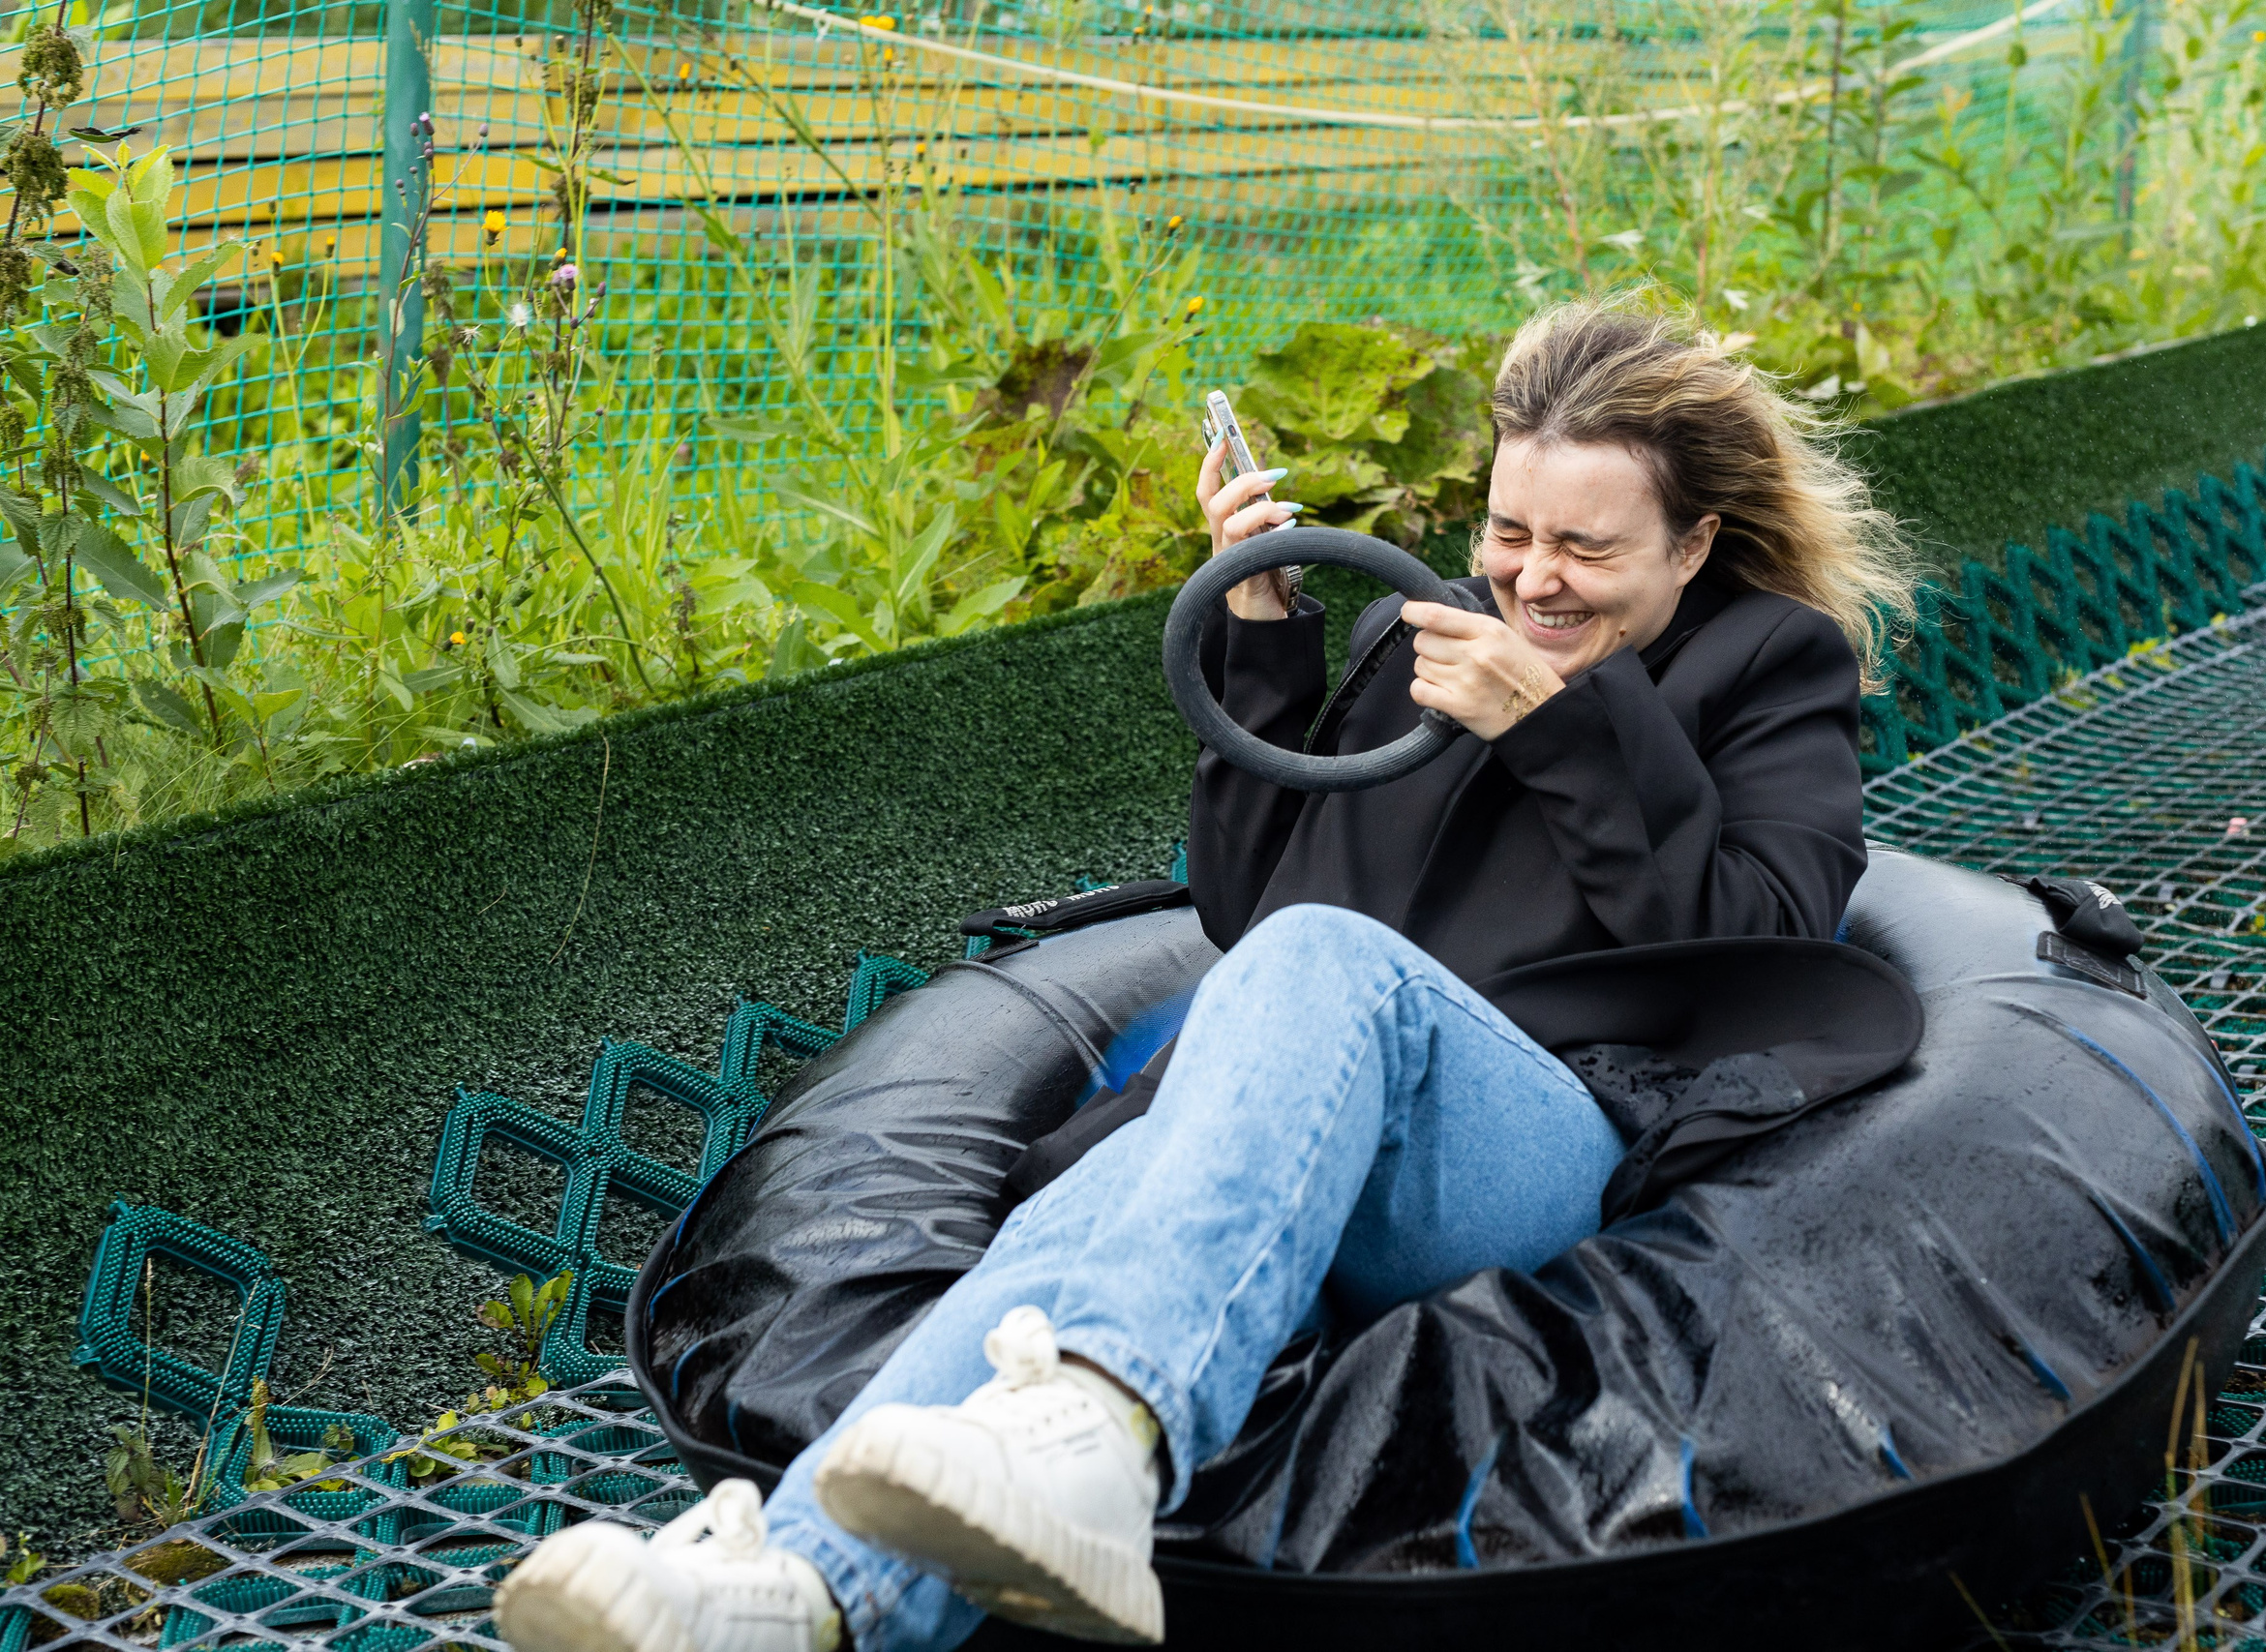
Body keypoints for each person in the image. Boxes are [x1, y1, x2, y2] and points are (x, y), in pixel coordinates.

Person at [494, 293, 1918, 1652]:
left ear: (1693, 543)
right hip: (1324, 1119)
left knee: (1320, 975)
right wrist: (1266, 631)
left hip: (1545, 1142)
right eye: (1508, 532)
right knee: (1112, 1188)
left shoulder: (1771, 667)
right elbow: (1254, 909)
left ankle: (1113, 1428)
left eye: (1588, 551)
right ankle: (803, 1597)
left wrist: (1555, 729)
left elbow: (1771, 935)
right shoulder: (1420, 635)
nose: (1534, 579)